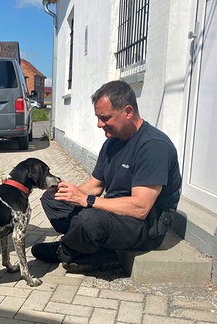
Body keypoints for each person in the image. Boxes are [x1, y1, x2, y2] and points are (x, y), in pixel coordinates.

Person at [31, 80, 182, 273]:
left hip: (146, 226)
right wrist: (71, 192)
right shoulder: (112, 142)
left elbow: (141, 207)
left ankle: (67, 250)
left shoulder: (153, 146)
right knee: (52, 200)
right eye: (98, 118)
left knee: (89, 219)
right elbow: (95, 185)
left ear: (128, 112)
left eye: (105, 118)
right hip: (116, 211)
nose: (99, 124)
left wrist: (87, 200)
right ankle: (91, 245)